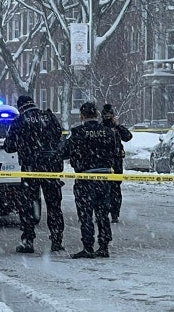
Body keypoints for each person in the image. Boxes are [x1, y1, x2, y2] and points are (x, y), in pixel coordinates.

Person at [4, 95, 65, 254]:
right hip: (51, 167)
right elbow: (59, 137)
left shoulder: (18, 121)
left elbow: (9, 146)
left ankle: (28, 241)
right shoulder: (49, 116)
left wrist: (25, 144)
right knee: (54, 205)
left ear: (20, 107)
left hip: (30, 168)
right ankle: (57, 240)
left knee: (28, 205)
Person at [65, 102, 117, 259]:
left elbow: (64, 151)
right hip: (104, 178)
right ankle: (103, 245)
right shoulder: (108, 132)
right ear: (97, 115)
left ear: (82, 116)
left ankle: (88, 246)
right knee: (102, 213)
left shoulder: (77, 132)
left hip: (85, 178)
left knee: (86, 213)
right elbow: (114, 151)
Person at [101, 104, 133, 223]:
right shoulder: (100, 128)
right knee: (103, 188)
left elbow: (128, 136)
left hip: (116, 161)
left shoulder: (117, 128)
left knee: (115, 188)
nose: (108, 118)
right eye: (106, 116)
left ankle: (114, 213)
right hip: (104, 161)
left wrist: (118, 125)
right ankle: (103, 211)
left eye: (110, 116)